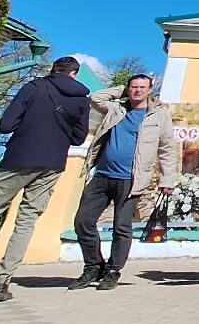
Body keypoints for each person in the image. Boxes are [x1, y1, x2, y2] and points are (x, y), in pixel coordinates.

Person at [0, 56, 92, 304]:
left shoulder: (34, 87)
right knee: (26, 221)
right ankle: (2, 283)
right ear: (74, 74)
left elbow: (5, 124)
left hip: (19, 158)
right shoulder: (81, 99)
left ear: (54, 70)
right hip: (52, 164)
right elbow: (78, 138)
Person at [71, 73, 178, 291]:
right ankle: (93, 266)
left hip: (132, 180)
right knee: (83, 222)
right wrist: (122, 89)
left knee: (121, 227)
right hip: (102, 175)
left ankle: (113, 270)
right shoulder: (116, 109)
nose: (138, 91)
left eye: (142, 87)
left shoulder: (159, 116)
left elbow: (167, 149)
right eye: (134, 87)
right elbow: (96, 98)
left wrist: (168, 179)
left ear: (150, 90)